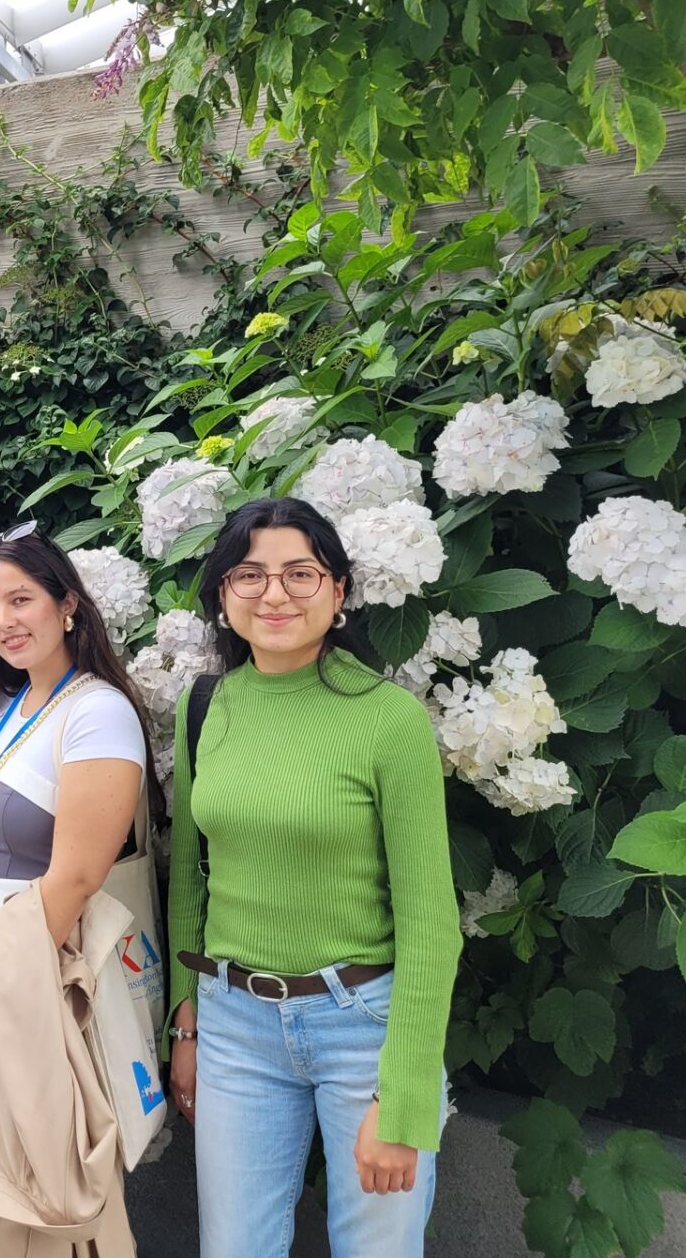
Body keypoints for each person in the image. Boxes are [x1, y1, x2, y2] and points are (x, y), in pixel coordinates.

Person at [165, 496, 460, 1258]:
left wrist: (404, 1100)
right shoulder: (205, 708)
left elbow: (431, 923)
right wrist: (185, 1021)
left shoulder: (389, 720)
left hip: (361, 1026)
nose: (274, 594)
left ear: (338, 593)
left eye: (301, 573)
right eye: (250, 575)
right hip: (233, 1026)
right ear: (221, 595)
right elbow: (193, 881)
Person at [0, 524, 153, 1256]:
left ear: (67, 604)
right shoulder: (16, 701)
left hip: (33, 972)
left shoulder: (97, 711)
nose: (6, 621)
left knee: (39, 1170)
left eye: (22, 600)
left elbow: (76, 876)